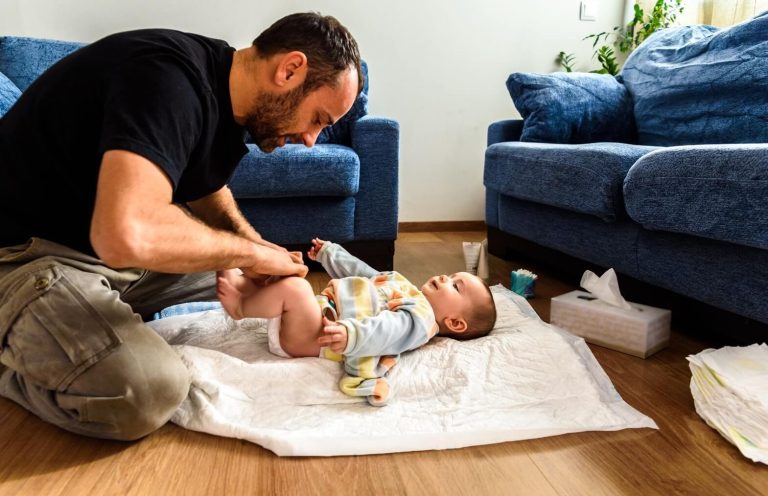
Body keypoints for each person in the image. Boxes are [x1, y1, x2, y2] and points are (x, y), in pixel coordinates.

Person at [0, 13, 363, 440]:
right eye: (318, 118)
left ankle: (77, 325)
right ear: (289, 69)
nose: (311, 139)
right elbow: (125, 233)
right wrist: (248, 253)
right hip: (27, 256)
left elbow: (204, 186)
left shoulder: (228, 99)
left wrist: (251, 245)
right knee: (146, 392)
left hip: (109, 258)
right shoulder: (165, 79)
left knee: (259, 288)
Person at [216, 238, 498, 405]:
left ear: (456, 323)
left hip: (315, 340)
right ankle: (243, 285)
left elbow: (386, 330)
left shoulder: (420, 321)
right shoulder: (404, 289)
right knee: (292, 271)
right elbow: (365, 275)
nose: (443, 278)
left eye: (456, 286)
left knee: (296, 290)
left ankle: (241, 307)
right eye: (451, 275)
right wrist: (331, 254)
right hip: (318, 318)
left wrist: (351, 334)